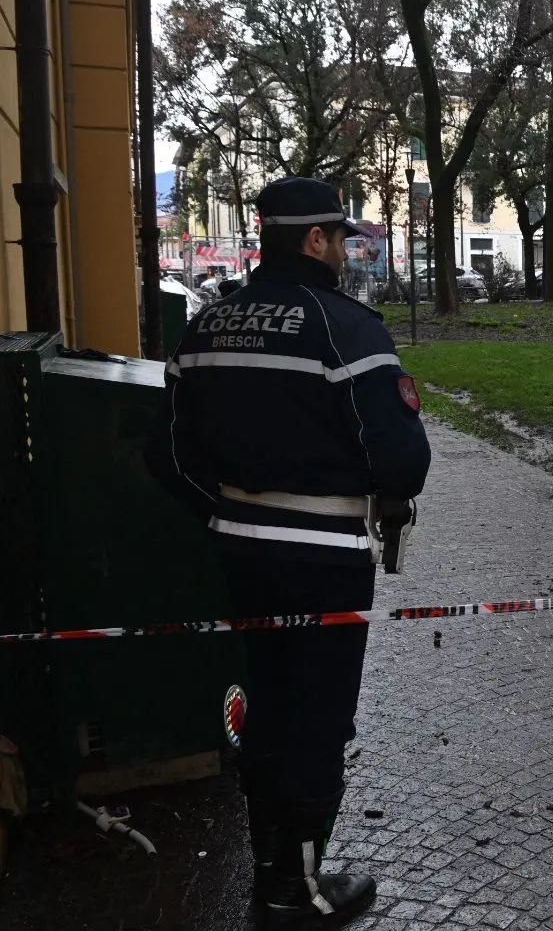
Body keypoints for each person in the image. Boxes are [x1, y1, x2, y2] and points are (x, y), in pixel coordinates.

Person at [147, 176, 430, 924]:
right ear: (314, 240)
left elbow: (167, 454)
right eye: (340, 237)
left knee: (268, 711)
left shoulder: (208, 325)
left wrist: (224, 512)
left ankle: (269, 864)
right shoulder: (346, 327)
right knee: (317, 719)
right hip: (322, 557)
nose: (343, 251)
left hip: (235, 550)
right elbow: (402, 463)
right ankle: (290, 889)